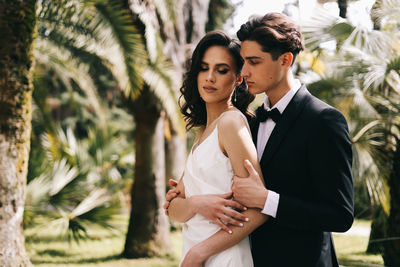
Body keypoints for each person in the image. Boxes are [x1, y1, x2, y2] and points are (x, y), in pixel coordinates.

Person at [165, 12, 354, 267]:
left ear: (285, 60)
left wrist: (267, 200)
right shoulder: (249, 123)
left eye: (253, 61)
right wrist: (190, 197)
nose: (243, 71)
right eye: (242, 61)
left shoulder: (323, 120)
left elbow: (340, 215)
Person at [167, 30, 267, 267]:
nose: (209, 77)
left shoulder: (231, 123)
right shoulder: (203, 131)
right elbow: (173, 210)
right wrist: (195, 204)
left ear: (238, 77)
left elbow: (260, 210)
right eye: (204, 68)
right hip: (195, 255)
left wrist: (198, 253)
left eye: (221, 70)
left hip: (224, 257)